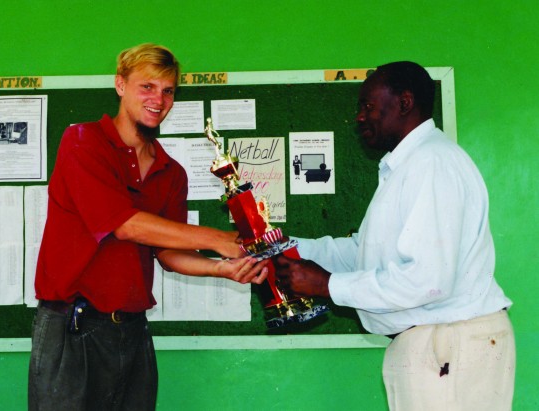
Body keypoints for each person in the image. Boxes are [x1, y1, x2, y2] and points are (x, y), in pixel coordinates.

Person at [28, 43, 268, 411]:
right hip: (72, 327)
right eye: (147, 87)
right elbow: (124, 225)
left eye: (168, 90)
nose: (159, 99)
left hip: (133, 330)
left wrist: (224, 268)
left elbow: (169, 253)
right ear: (120, 85)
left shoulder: (171, 172)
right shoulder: (83, 141)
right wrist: (223, 240)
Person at [274, 61, 515, 410]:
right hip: (439, 345)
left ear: (404, 102)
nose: (359, 117)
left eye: (368, 106)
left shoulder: (432, 163)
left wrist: (327, 286)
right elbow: (364, 253)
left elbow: (427, 280)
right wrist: (284, 248)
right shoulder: (409, 166)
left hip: (450, 344)